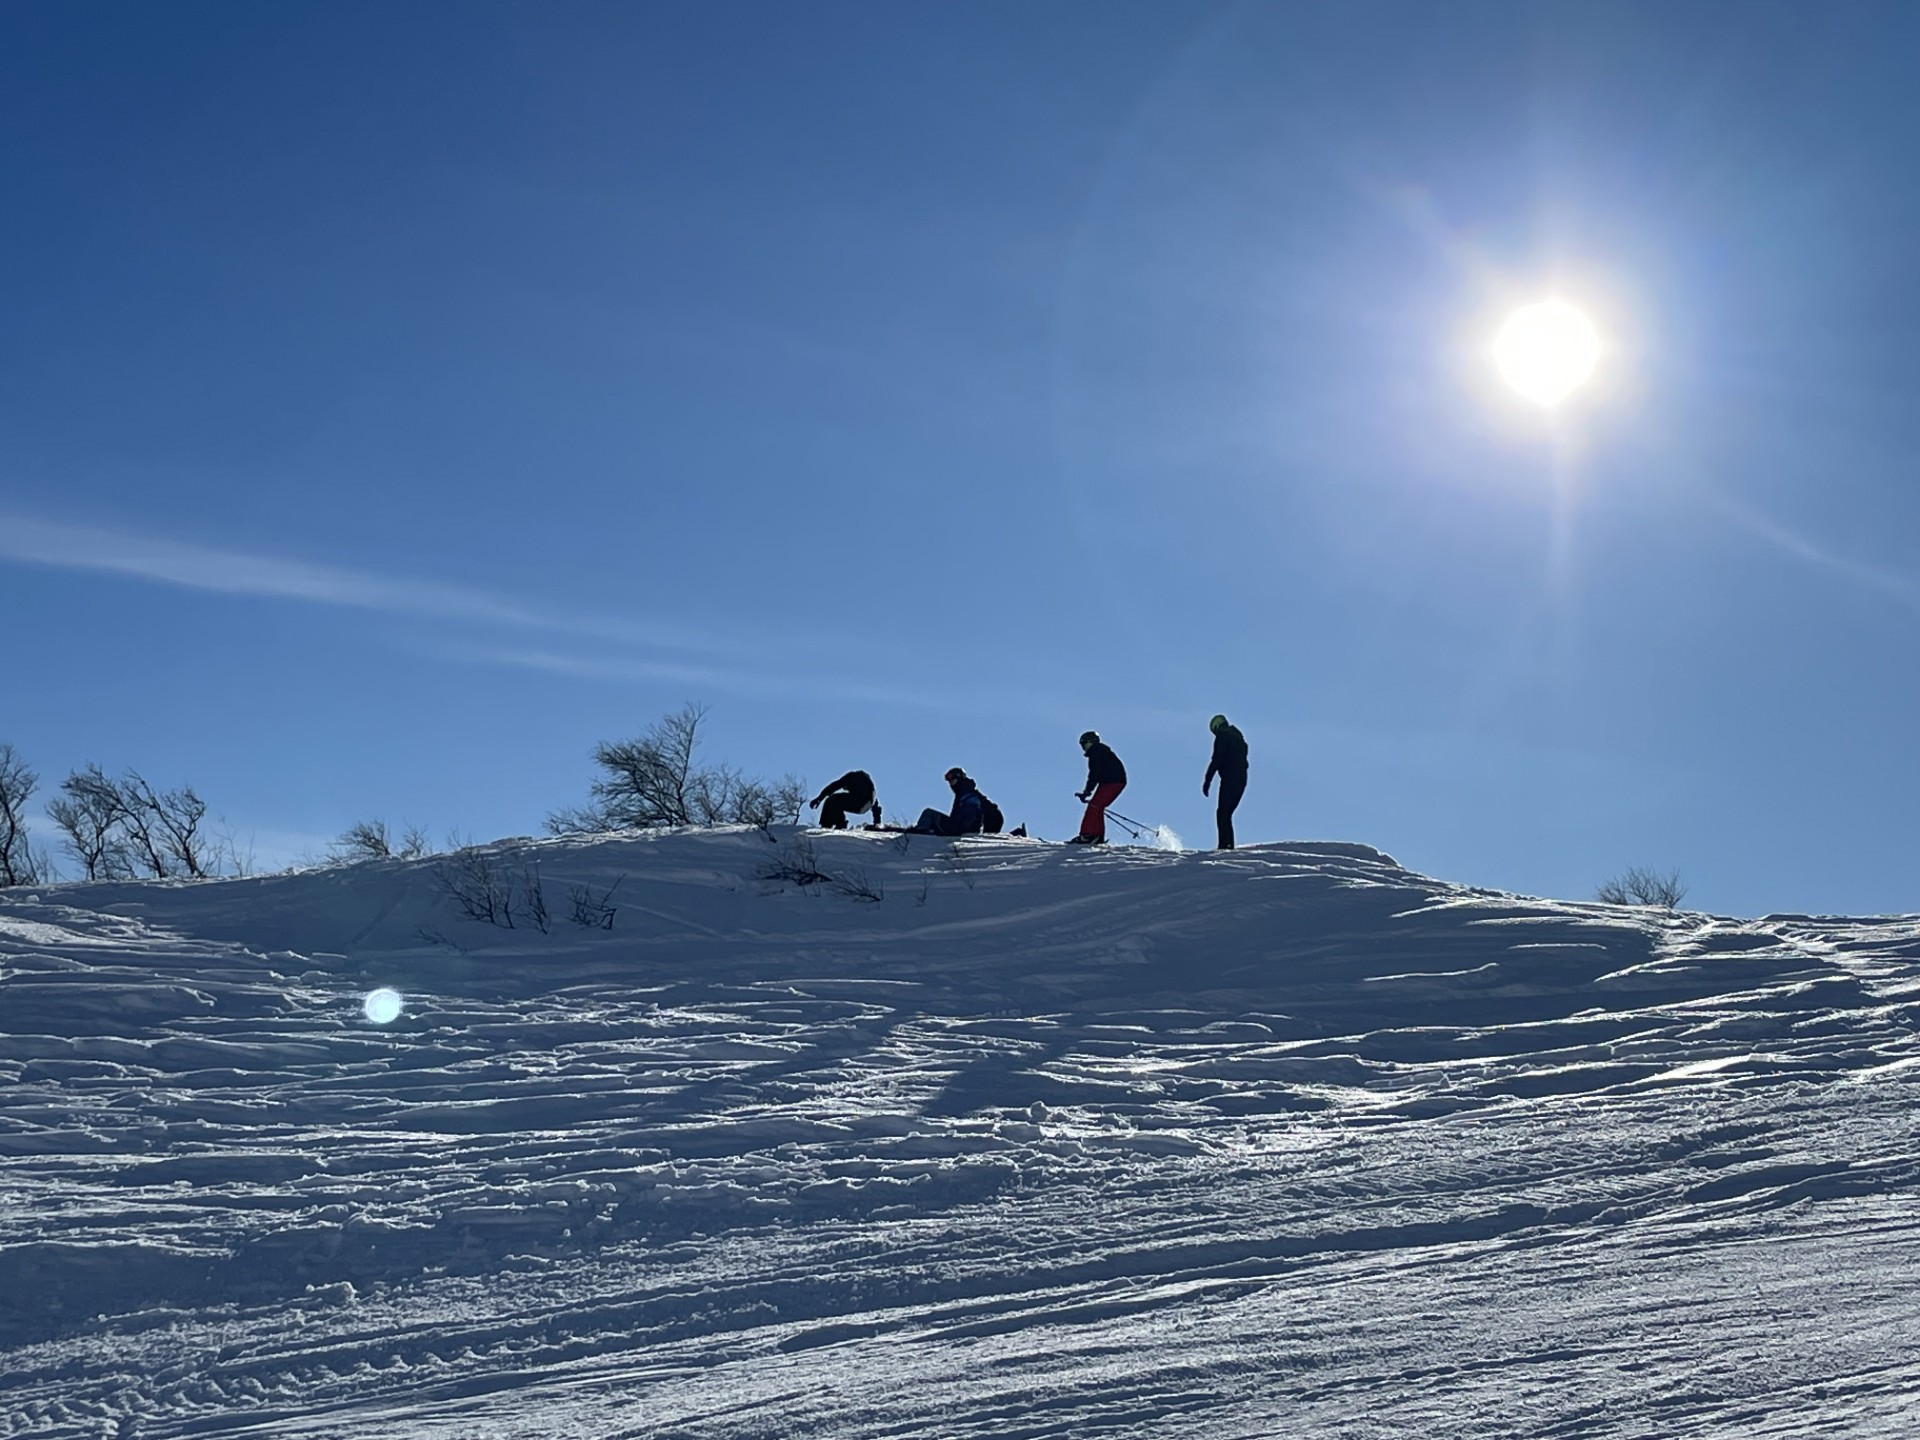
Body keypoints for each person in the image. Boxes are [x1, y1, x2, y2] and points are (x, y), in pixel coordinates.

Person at [1070, 731, 1126, 845]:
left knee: (1094, 806)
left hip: (1113, 782)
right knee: (1097, 807)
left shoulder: (1096, 752)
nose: (1083, 748)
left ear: (1090, 742)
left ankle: (1087, 836)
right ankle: (1096, 837)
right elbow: (1096, 774)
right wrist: (1087, 791)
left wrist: (1087, 792)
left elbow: (1094, 774)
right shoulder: (1099, 751)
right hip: (1113, 781)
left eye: (1084, 744)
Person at [1202, 713, 1248, 849]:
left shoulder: (1223, 737)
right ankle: (1228, 844)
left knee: (1222, 814)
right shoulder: (1238, 738)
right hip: (1242, 779)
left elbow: (1217, 759)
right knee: (1226, 813)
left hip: (1229, 779)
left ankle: (1225, 846)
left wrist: (1207, 780)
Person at [910, 767, 989, 836]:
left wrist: (958, 829)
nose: (951, 784)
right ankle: (926, 829)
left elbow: (971, 816)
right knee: (933, 819)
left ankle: (921, 830)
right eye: (950, 782)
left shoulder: (968, 794)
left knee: (929, 813)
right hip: (958, 828)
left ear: (959, 779)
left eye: (953, 781)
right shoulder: (962, 794)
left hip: (959, 830)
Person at [808, 770, 879, 830]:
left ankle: (834, 824)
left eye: (845, 788)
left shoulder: (850, 777)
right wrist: (877, 822)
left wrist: (819, 798)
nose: (845, 789)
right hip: (867, 804)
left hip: (860, 801)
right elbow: (875, 803)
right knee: (835, 800)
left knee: (832, 800)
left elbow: (834, 786)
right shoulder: (867, 784)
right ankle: (831, 823)